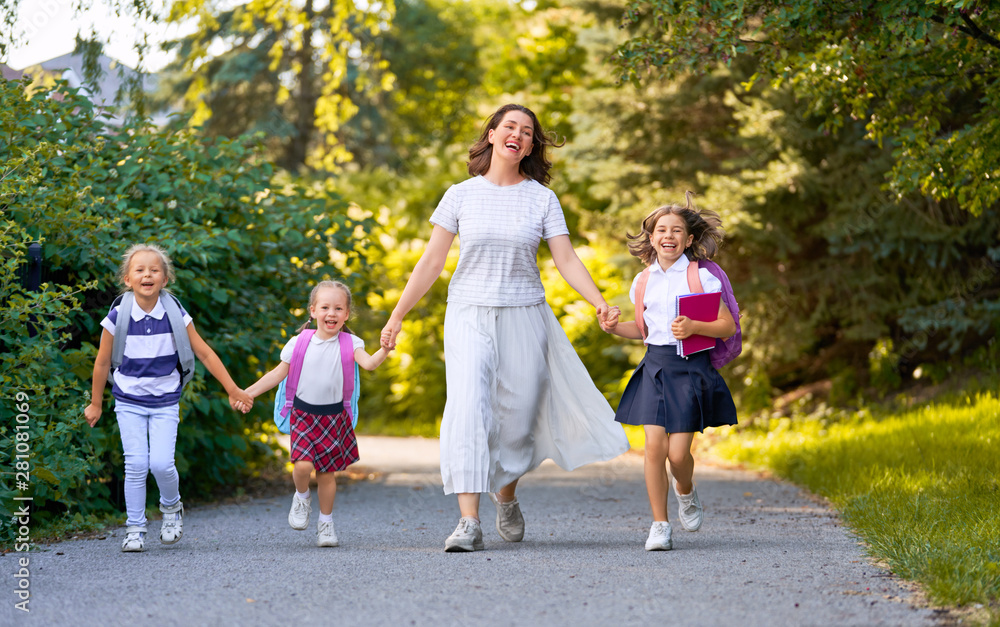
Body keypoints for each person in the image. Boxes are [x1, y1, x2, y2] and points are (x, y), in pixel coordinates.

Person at [380, 103, 630, 552]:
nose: (518, 134)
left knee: (517, 417)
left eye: (527, 131)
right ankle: (467, 522)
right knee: (469, 406)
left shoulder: (542, 198)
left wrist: (598, 303)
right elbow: (432, 261)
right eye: (509, 126)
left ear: (531, 145)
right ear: (493, 135)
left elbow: (566, 259)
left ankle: (506, 495)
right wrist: (397, 315)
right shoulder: (460, 194)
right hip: (468, 313)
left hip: (524, 314)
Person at [85, 243, 254, 552]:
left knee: (162, 464)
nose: (147, 274)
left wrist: (233, 389)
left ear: (165, 279)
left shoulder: (175, 314)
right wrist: (96, 403)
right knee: (135, 464)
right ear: (127, 279)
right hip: (128, 400)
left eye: (154, 270)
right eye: (139, 270)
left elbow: (203, 351)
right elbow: (101, 362)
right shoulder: (118, 316)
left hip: (165, 400)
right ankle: (135, 528)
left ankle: (171, 508)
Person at [600, 193, 738, 551]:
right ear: (651, 237)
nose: (669, 235)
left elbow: (726, 326)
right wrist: (615, 328)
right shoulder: (643, 280)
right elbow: (643, 330)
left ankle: (686, 491)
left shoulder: (701, 277)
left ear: (689, 240)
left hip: (690, 369)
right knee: (653, 448)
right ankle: (659, 524)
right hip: (655, 367)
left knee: (678, 455)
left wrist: (694, 326)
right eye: (661, 229)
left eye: (677, 230)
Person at [242, 281, 389, 547]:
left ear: (346, 315)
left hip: (334, 417)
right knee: (302, 465)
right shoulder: (298, 343)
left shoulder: (351, 342)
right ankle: (301, 497)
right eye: (325, 307)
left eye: (338, 308)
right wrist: (247, 393)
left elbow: (368, 364)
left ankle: (326, 524)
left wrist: (385, 350)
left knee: (327, 474)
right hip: (303, 414)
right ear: (312, 311)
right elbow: (277, 374)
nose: (331, 313)